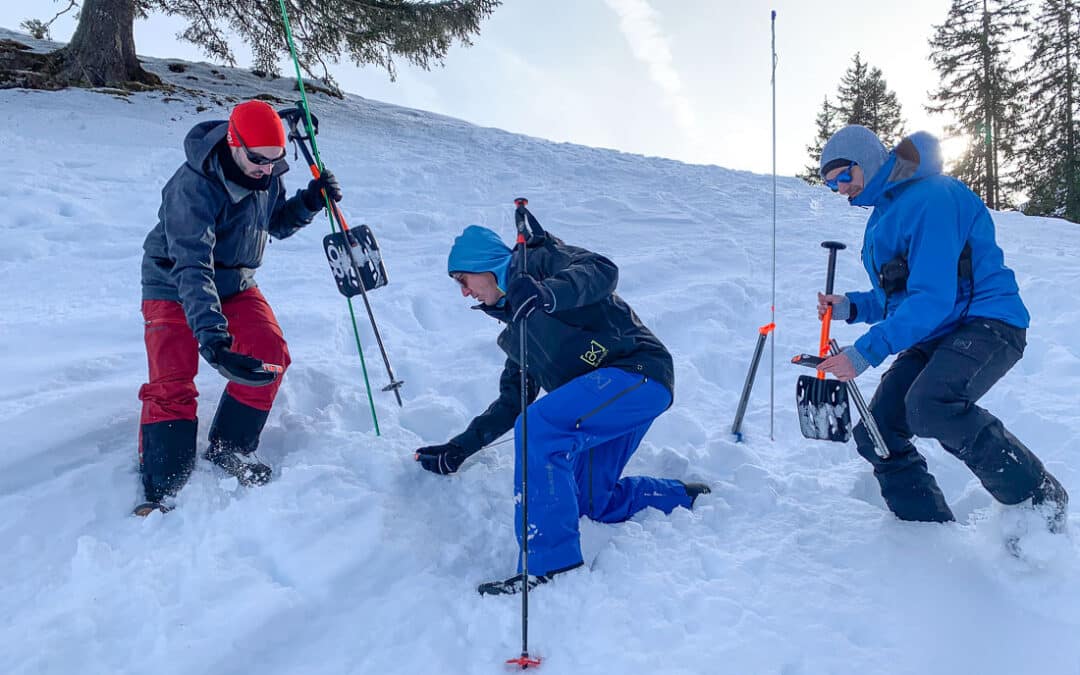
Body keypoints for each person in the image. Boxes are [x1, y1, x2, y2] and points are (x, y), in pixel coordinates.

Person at [415, 222, 710, 595]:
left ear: (487, 265)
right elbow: (511, 402)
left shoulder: (541, 261)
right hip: (607, 401)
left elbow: (603, 270)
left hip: (638, 373)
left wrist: (544, 293)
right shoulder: (517, 330)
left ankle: (551, 566)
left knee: (538, 428)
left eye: (464, 279)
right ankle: (681, 496)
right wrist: (460, 448)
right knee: (591, 501)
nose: (464, 292)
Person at [816, 124, 1068, 533]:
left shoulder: (932, 197)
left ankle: (1038, 500)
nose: (840, 189)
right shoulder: (881, 219)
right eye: (831, 185)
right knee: (878, 430)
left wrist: (864, 352)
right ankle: (926, 533)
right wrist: (852, 306)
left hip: (988, 321)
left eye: (844, 176)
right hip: (937, 330)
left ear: (867, 160)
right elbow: (900, 295)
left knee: (930, 405)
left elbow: (932, 298)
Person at [136, 100, 343, 516]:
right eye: (258, 160)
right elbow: (192, 268)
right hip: (174, 282)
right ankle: (162, 487)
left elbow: (271, 224)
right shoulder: (191, 189)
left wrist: (309, 202)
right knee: (173, 382)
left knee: (270, 354)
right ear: (234, 143)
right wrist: (213, 341)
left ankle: (231, 447)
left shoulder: (266, 172)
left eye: (276, 160)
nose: (267, 169)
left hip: (235, 281)